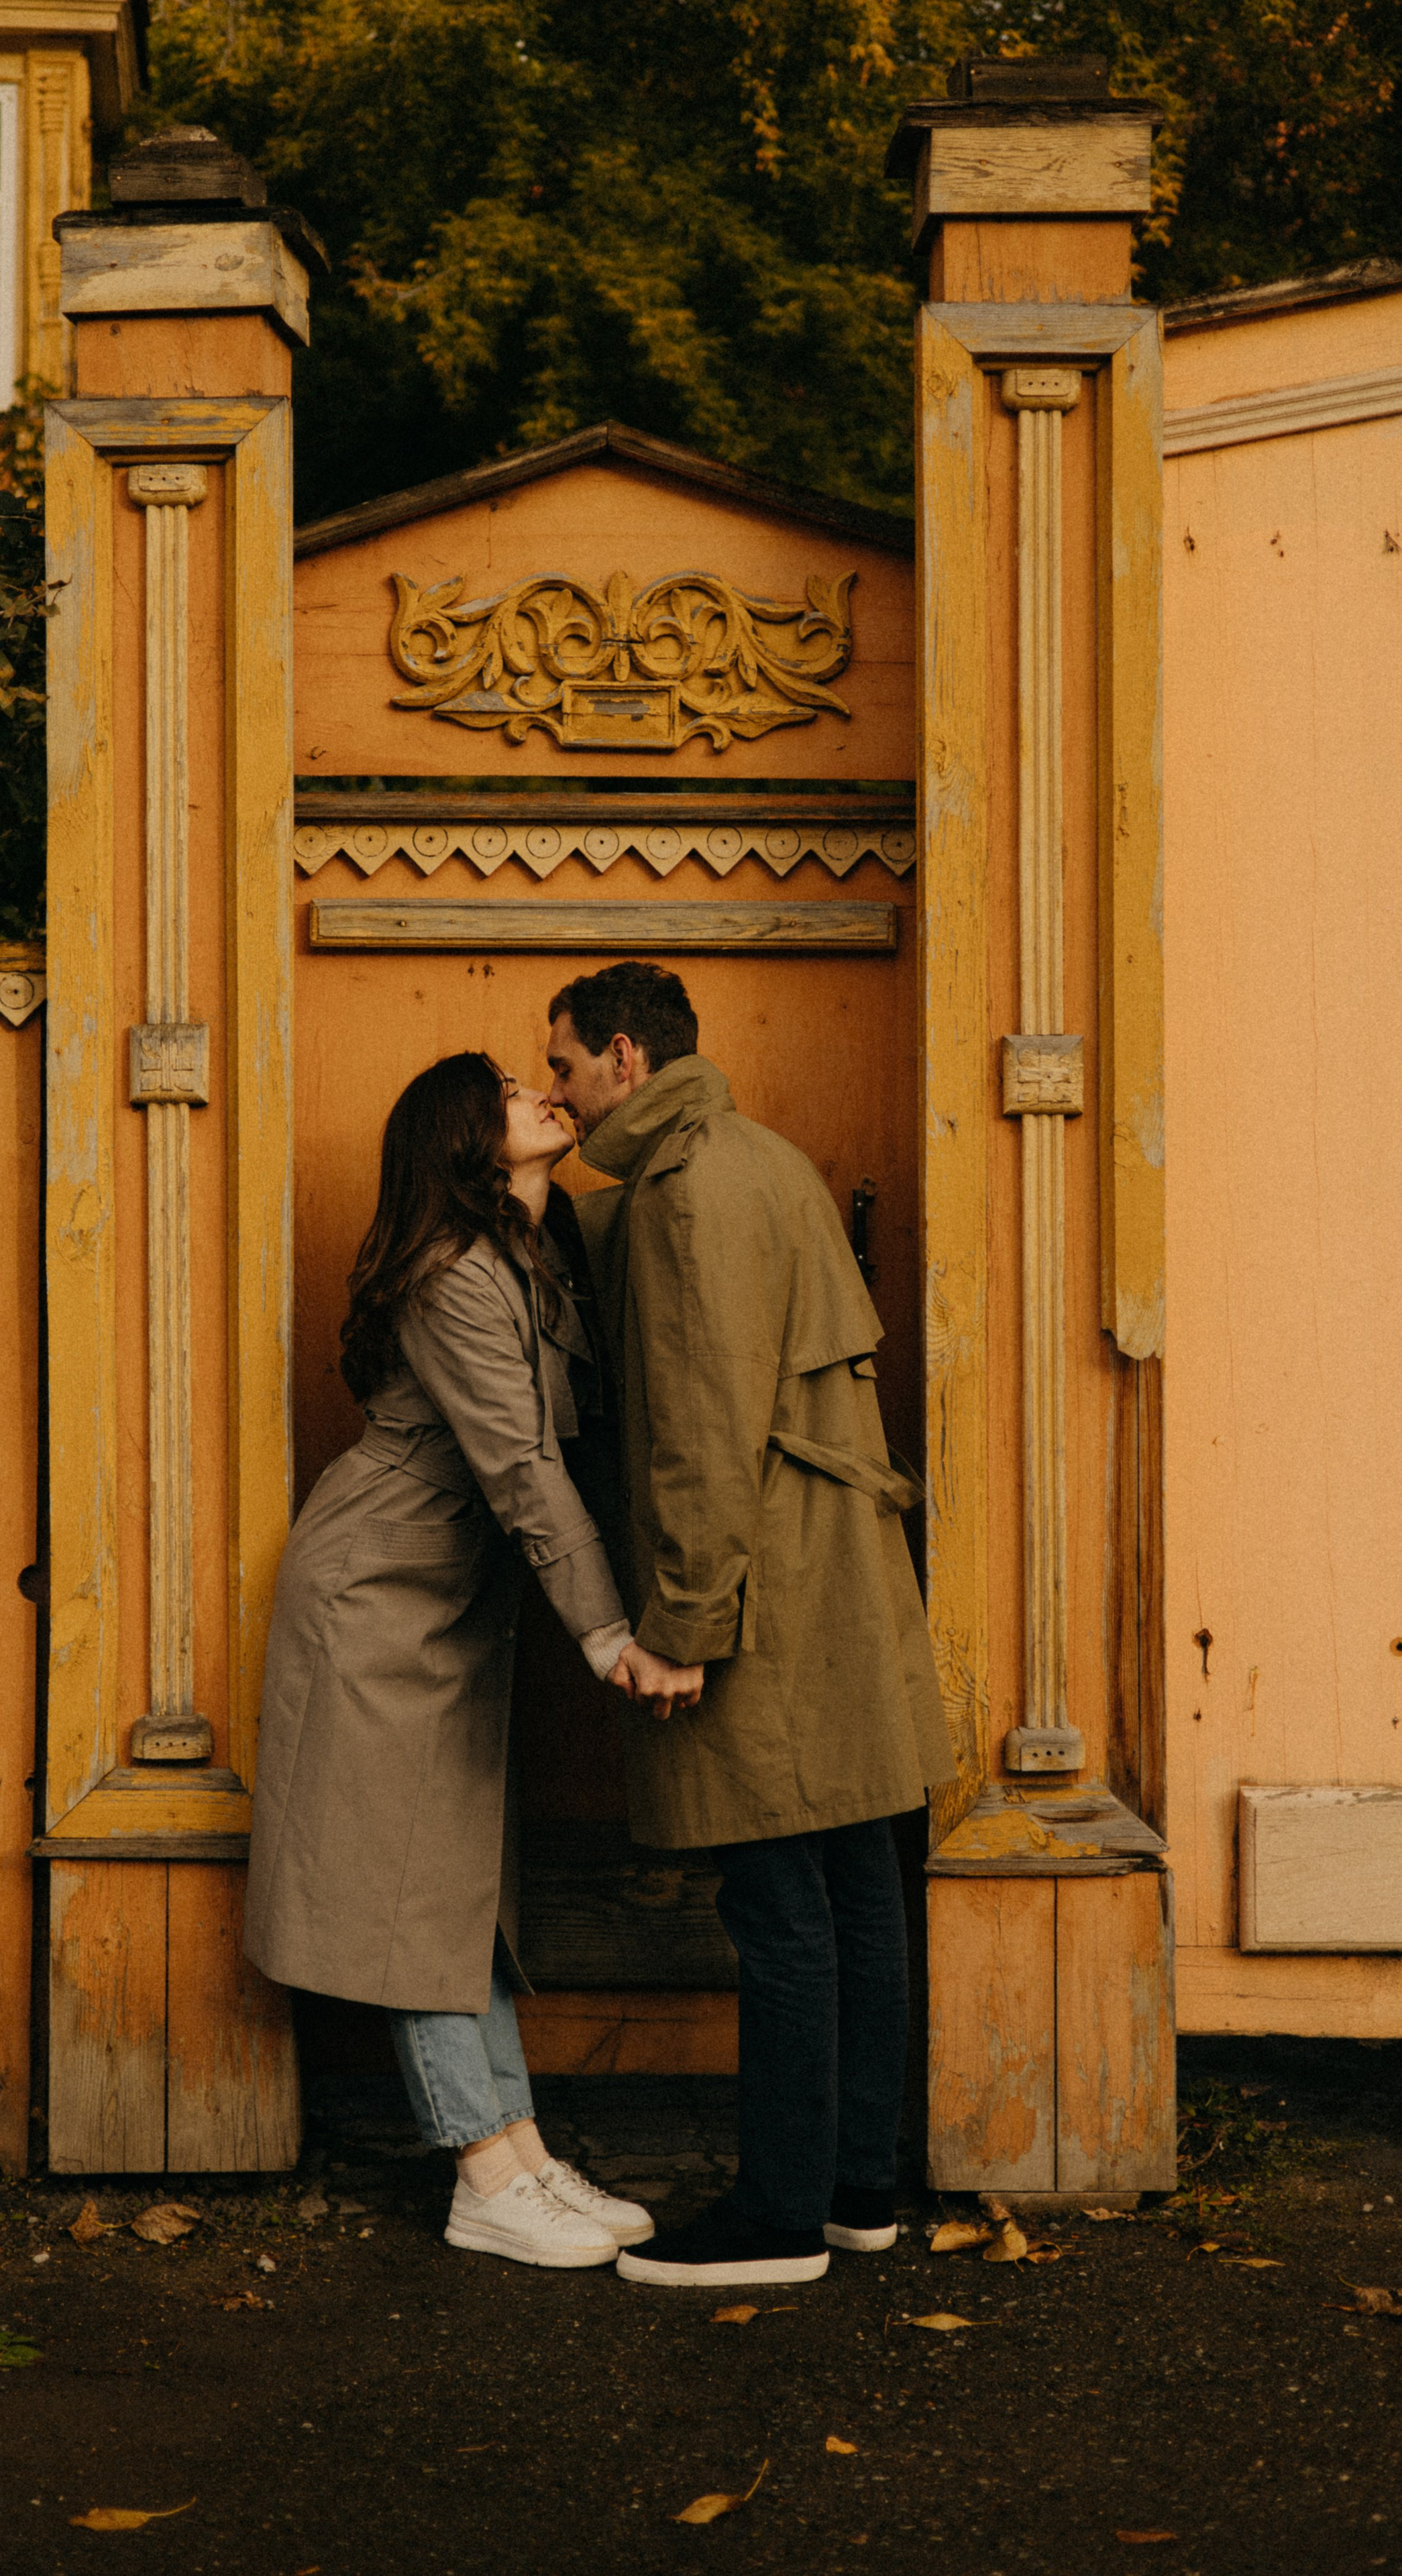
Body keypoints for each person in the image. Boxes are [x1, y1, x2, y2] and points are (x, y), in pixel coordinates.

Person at [244, 1050, 696, 2268]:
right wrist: (610, 1636)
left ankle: (522, 2152)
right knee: (412, 1890)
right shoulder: (452, 1275)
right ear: (464, 1140)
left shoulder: (534, 1257)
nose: (542, 1094)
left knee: (455, 1887)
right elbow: (521, 1468)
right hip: (379, 1601)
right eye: (509, 1090)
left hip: (448, 1600)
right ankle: (481, 2170)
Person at [544, 962, 957, 2291]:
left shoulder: (683, 1192)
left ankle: (777, 2218)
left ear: (619, 1058)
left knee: (778, 1902)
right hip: (827, 1583)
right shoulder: (753, 1158)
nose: (551, 1090)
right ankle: (854, 2193)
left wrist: (679, 1625)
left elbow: (700, 1436)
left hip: (761, 1599)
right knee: (853, 1891)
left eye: (557, 1066)